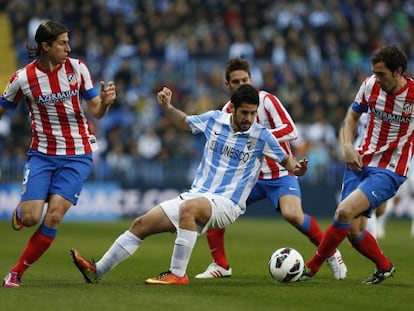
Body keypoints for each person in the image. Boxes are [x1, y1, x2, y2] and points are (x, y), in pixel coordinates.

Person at [70, 84, 308, 285]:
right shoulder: (214, 119)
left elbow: (286, 160)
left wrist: (297, 168)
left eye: (253, 113)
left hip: (229, 203)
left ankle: (177, 274)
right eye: (244, 113)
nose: (248, 119)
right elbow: (184, 122)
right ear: (233, 108)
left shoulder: (262, 136)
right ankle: (97, 269)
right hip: (198, 194)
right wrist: (167, 107)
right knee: (141, 223)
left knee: (189, 210)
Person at [195, 58, 347, 280]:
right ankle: (221, 265)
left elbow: (291, 130)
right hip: (248, 178)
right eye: (235, 81)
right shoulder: (227, 111)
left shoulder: (266, 100)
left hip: (280, 173)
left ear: (252, 79)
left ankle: (331, 253)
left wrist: (259, 138)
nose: (241, 84)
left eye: (245, 80)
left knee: (292, 214)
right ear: (228, 85)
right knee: (214, 208)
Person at [0, 20, 116, 288]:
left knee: (53, 216)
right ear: (45, 46)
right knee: (30, 218)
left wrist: (106, 103)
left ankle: (16, 272)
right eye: (63, 42)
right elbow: (3, 107)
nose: (69, 47)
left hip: (78, 153)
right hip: (42, 154)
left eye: (68, 42)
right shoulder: (22, 78)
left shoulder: (78, 69)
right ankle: (24, 209)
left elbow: (95, 109)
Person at [300, 45, 414, 284]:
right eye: (374, 72)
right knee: (353, 230)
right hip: (359, 161)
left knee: (343, 211)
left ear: (398, 71)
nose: (377, 78)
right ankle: (384, 266)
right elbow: (351, 117)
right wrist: (348, 147)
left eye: (382, 74)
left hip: (390, 170)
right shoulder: (370, 85)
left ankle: (312, 267)